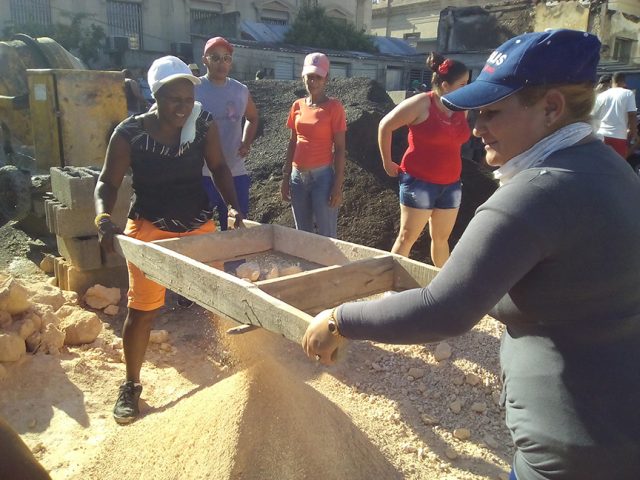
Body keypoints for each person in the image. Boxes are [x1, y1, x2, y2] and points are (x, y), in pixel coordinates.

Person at [302, 29, 640, 480]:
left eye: (493, 113)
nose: (476, 128)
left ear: (551, 108)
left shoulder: (533, 195)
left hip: (573, 450)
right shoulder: (608, 167)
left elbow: (443, 309)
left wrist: (339, 319)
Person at [95, 55, 244, 424]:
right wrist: (102, 217)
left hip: (197, 224)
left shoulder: (202, 123)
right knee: (143, 311)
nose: (183, 107)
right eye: (174, 99)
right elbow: (107, 183)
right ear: (156, 96)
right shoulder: (130, 134)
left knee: (221, 297)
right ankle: (130, 385)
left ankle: (244, 365)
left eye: (188, 98)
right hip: (151, 228)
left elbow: (221, 167)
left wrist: (234, 207)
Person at [379, 53, 470, 267]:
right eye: (463, 84)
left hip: (451, 184)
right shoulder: (421, 104)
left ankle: (444, 288)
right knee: (406, 238)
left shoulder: (462, 108)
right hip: (419, 182)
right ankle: (389, 289)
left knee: (441, 239)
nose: (468, 88)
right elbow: (385, 125)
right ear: (446, 86)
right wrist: (387, 162)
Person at [196, 36, 259, 230]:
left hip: (234, 171)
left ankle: (237, 262)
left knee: (236, 226)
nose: (221, 63)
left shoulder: (240, 90)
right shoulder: (194, 88)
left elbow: (253, 117)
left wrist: (246, 142)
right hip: (202, 173)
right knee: (201, 228)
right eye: (215, 57)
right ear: (204, 59)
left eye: (226, 58)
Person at [280, 52, 346, 238]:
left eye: (318, 77)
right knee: (303, 235)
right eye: (310, 77)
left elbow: (340, 149)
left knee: (326, 235)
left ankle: (331, 267)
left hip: (322, 178)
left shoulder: (334, 108)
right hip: (297, 178)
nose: (313, 82)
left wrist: (337, 185)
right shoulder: (297, 106)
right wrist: (285, 177)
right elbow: (293, 142)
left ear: (326, 79)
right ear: (303, 77)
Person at [592, 71, 638, 158]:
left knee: (602, 163)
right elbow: (632, 115)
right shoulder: (628, 93)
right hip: (618, 136)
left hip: (600, 136)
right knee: (617, 166)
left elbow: (593, 115)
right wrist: (634, 133)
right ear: (624, 82)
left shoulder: (601, 95)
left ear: (611, 82)